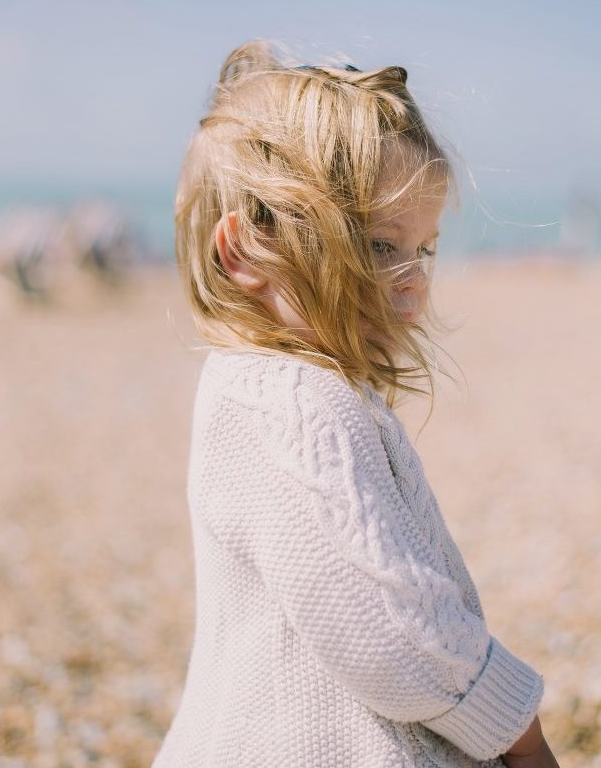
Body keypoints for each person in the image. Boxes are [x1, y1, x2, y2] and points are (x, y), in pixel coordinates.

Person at [152, 40, 560, 768]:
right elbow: (396, 631)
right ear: (245, 252)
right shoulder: (291, 401)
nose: (413, 281)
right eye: (377, 244)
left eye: (424, 248)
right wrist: (519, 733)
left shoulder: (275, 387)